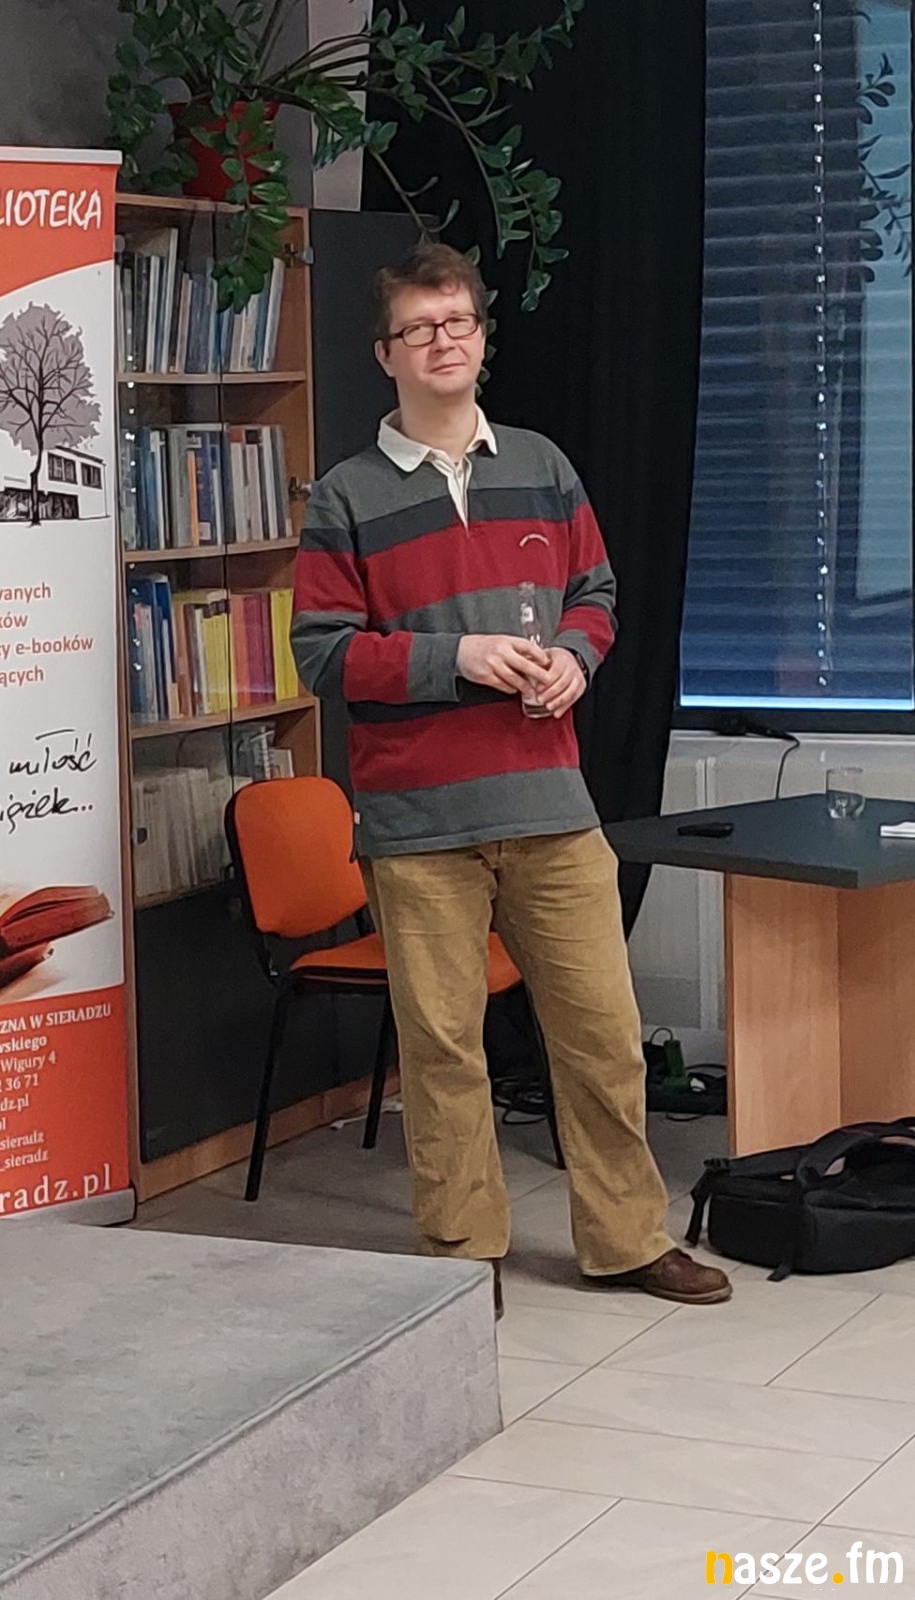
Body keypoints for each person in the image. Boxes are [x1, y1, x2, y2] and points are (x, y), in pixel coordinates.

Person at [291, 242, 731, 1315]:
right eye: (420, 328)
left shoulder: (542, 464)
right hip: (417, 826)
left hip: (550, 806)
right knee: (444, 1052)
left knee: (603, 1037)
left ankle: (626, 1241)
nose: (443, 342)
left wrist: (576, 657)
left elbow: (597, 591)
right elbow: (323, 654)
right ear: (385, 353)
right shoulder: (344, 496)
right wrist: (460, 658)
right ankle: (461, 1255)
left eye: (460, 322)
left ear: (483, 337)